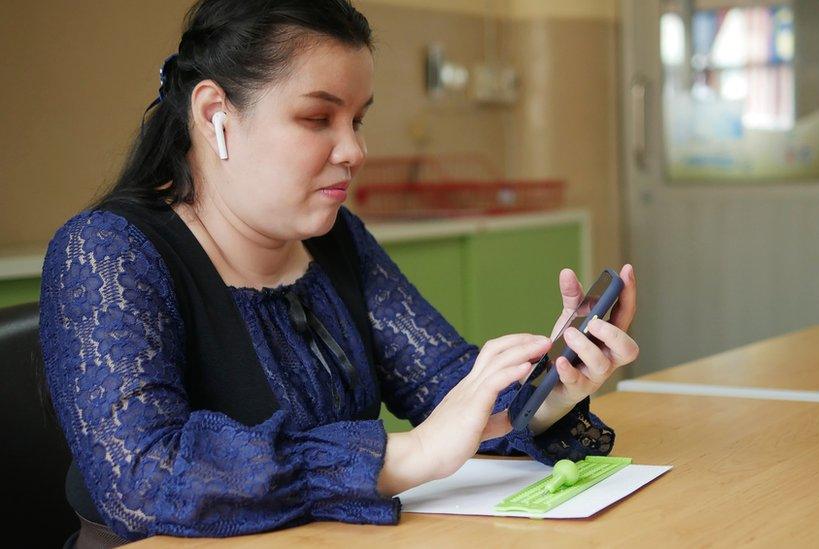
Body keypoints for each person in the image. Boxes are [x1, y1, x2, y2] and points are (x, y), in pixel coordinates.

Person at [38, 0, 640, 545]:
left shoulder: (336, 239)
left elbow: (450, 386)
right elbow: (142, 478)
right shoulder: (107, 252)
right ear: (214, 113)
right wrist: (411, 453)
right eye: (317, 119)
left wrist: (553, 387)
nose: (353, 150)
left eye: (357, 120)